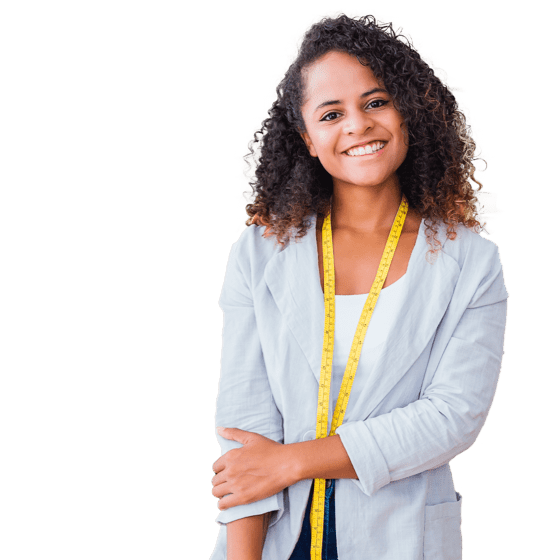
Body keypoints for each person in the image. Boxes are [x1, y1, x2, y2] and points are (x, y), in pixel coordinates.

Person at [209, 9, 508, 560]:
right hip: (278, 539)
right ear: (306, 138)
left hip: (401, 537)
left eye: (376, 102)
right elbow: (245, 427)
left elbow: (452, 417)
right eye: (331, 113)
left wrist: (293, 461)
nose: (358, 125)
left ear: (409, 111)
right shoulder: (259, 253)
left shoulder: (471, 262)